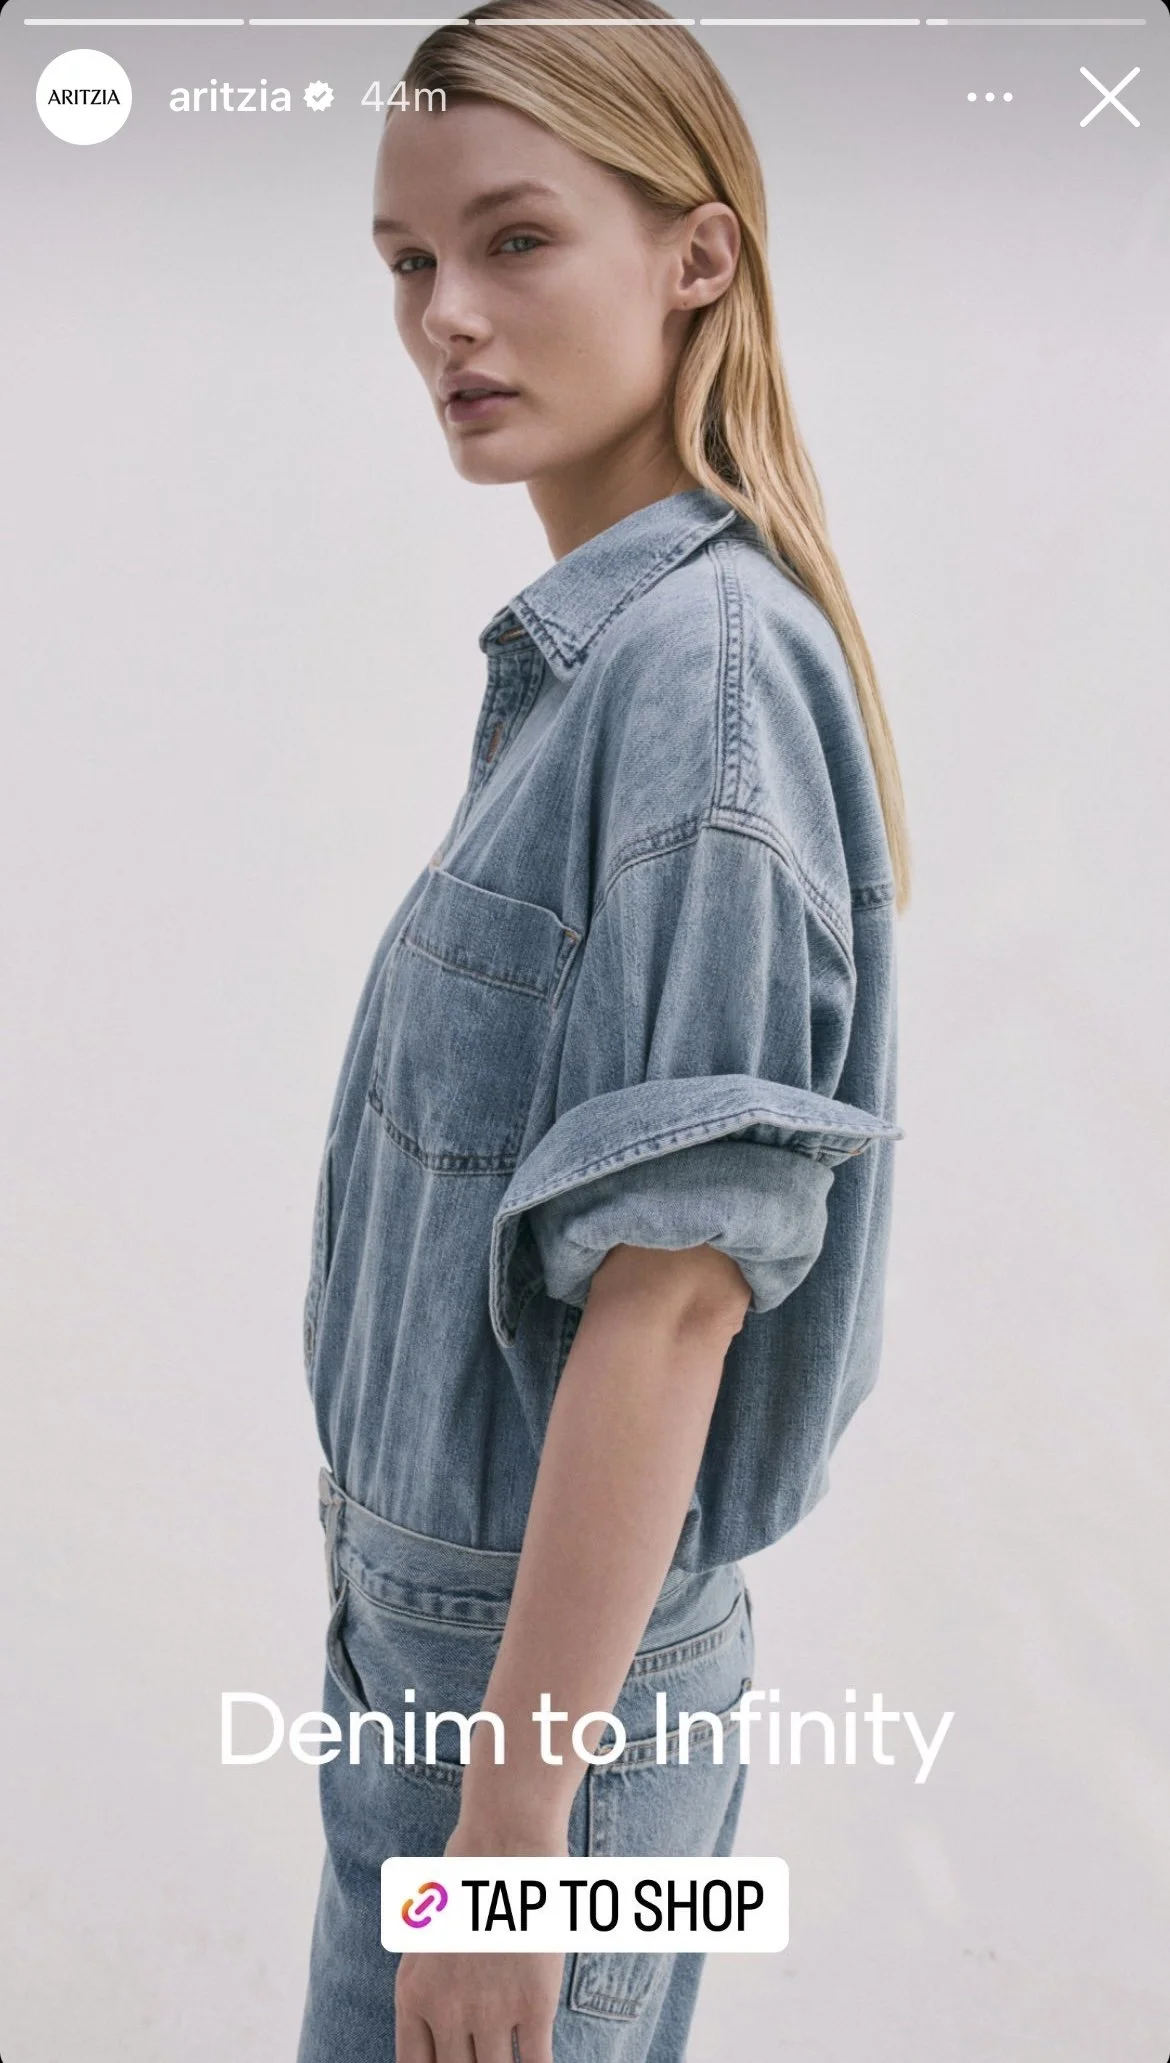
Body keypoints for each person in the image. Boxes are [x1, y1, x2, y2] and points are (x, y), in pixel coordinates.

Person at [296, 2, 906, 2056]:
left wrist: (516, 1843)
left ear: (697, 258)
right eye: (406, 263)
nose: (446, 316)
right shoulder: (602, 669)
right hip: (446, 1682)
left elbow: (670, 1297)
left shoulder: (703, 682)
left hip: (540, 1738)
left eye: (515, 241)